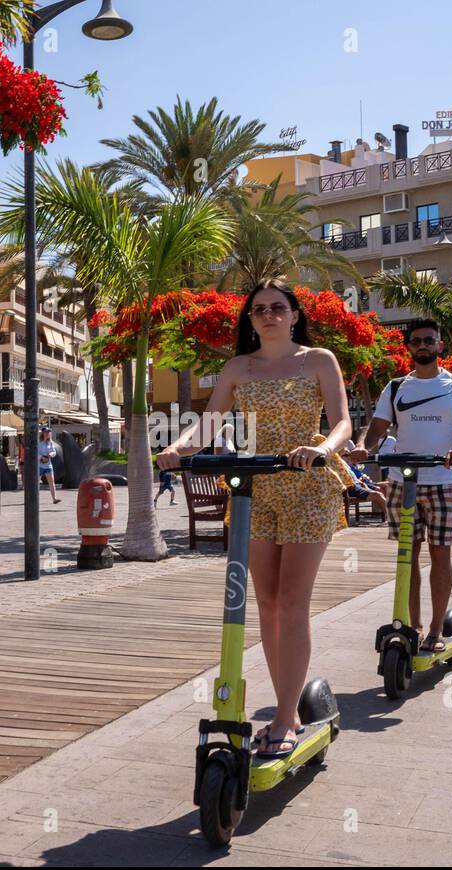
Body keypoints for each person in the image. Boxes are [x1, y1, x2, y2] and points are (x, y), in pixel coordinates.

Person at [157, 279, 354, 759]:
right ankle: (283, 702)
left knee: (291, 601)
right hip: (255, 485)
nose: (268, 315)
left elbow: (344, 423)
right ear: (250, 319)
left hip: (308, 483)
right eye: (259, 309)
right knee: (264, 602)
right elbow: (209, 424)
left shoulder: (319, 359)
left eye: (278, 308)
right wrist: (178, 449)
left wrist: (322, 450)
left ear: (293, 314)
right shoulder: (238, 367)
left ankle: (285, 718)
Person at [348, 316, 452, 652]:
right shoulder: (397, 387)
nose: (423, 345)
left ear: (440, 345)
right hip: (402, 480)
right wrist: (363, 448)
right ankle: (412, 626)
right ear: (409, 347)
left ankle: (437, 631)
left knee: (440, 554)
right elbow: (376, 427)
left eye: (429, 340)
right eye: (417, 341)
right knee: (406, 556)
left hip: (444, 480)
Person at [37, 426, 61, 504]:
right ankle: (35, 499)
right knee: (36, 483)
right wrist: (41, 458)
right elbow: (35, 453)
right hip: (39, 465)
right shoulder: (38, 442)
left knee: (51, 482)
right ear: (43, 433)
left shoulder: (50, 442)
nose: (48, 433)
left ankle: (54, 499)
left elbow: (54, 452)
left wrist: (50, 454)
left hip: (48, 465)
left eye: (49, 432)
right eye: (46, 432)